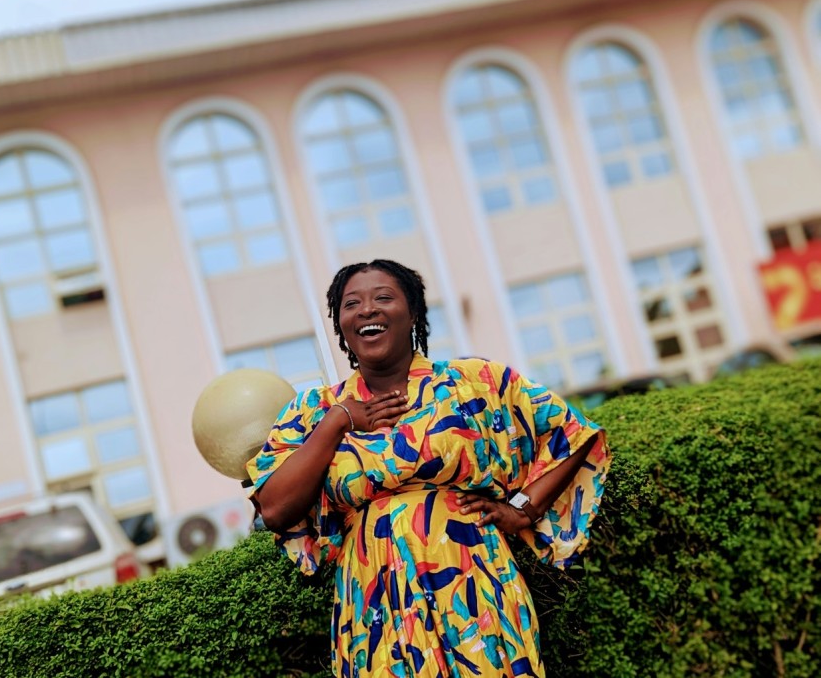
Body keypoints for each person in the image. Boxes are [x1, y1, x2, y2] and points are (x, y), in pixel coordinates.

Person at [248, 259, 610, 677]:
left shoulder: (472, 382)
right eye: (352, 304)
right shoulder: (313, 411)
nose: (367, 309)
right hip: (373, 601)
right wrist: (338, 422)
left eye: (384, 297)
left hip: (472, 582)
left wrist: (524, 509)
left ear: (414, 312)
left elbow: (571, 434)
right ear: (340, 323)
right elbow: (275, 509)